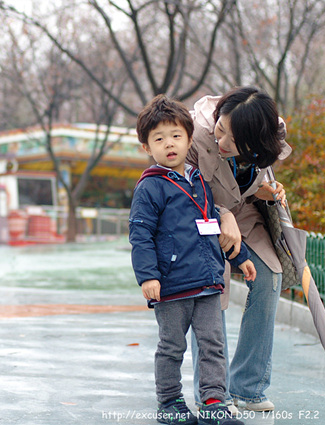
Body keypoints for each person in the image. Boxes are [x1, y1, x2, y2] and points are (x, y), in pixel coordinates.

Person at [129, 94, 256, 425]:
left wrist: (239, 257)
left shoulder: (199, 180)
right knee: (172, 347)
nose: (169, 144)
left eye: (176, 136)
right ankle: (170, 402)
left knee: (213, 345)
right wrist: (148, 277)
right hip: (171, 286)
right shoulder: (150, 188)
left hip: (209, 280)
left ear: (188, 139)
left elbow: (212, 223)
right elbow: (140, 235)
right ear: (147, 147)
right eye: (159, 139)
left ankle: (214, 403)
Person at [186, 86, 292, 412]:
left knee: (269, 275)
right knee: (212, 284)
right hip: (199, 215)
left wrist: (267, 192)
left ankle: (248, 386)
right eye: (220, 130)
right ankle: (214, 392)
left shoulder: (270, 133)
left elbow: (249, 181)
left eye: (232, 141)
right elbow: (178, 192)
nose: (221, 142)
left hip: (242, 212)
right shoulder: (191, 133)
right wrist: (221, 214)